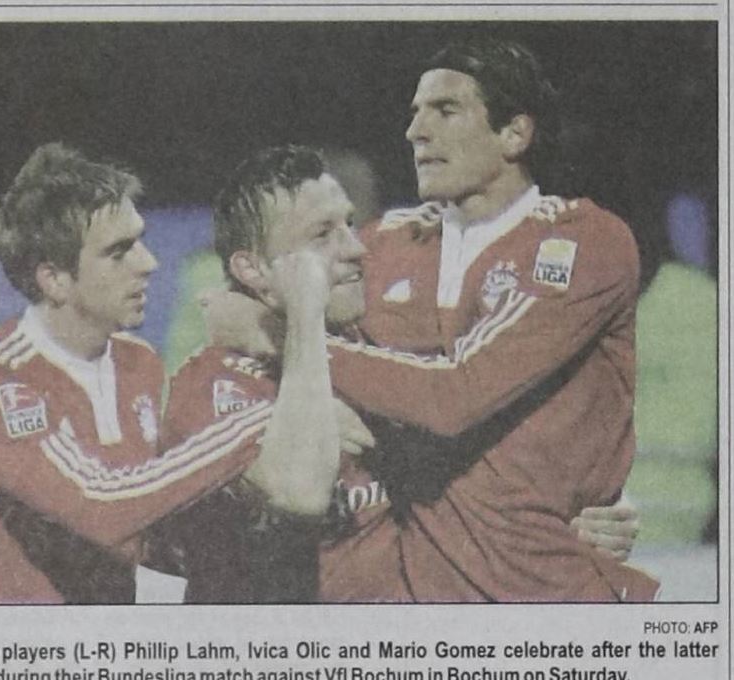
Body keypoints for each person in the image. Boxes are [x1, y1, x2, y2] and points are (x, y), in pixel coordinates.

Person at [169, 142, 649, 602]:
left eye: (350, 225)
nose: (357, 248)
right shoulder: (215, 387)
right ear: (252, 270)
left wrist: (581, 507)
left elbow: (473, 434)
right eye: (322, 235)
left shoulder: (369, 360)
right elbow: (298, 493)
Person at [0, 143, 342, 604]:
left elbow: (149, 525)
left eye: (140, 241)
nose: (149, 263)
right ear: (55, 279)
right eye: (119, 252)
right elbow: (102, 506)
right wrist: (264, 419)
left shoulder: (137, 362)